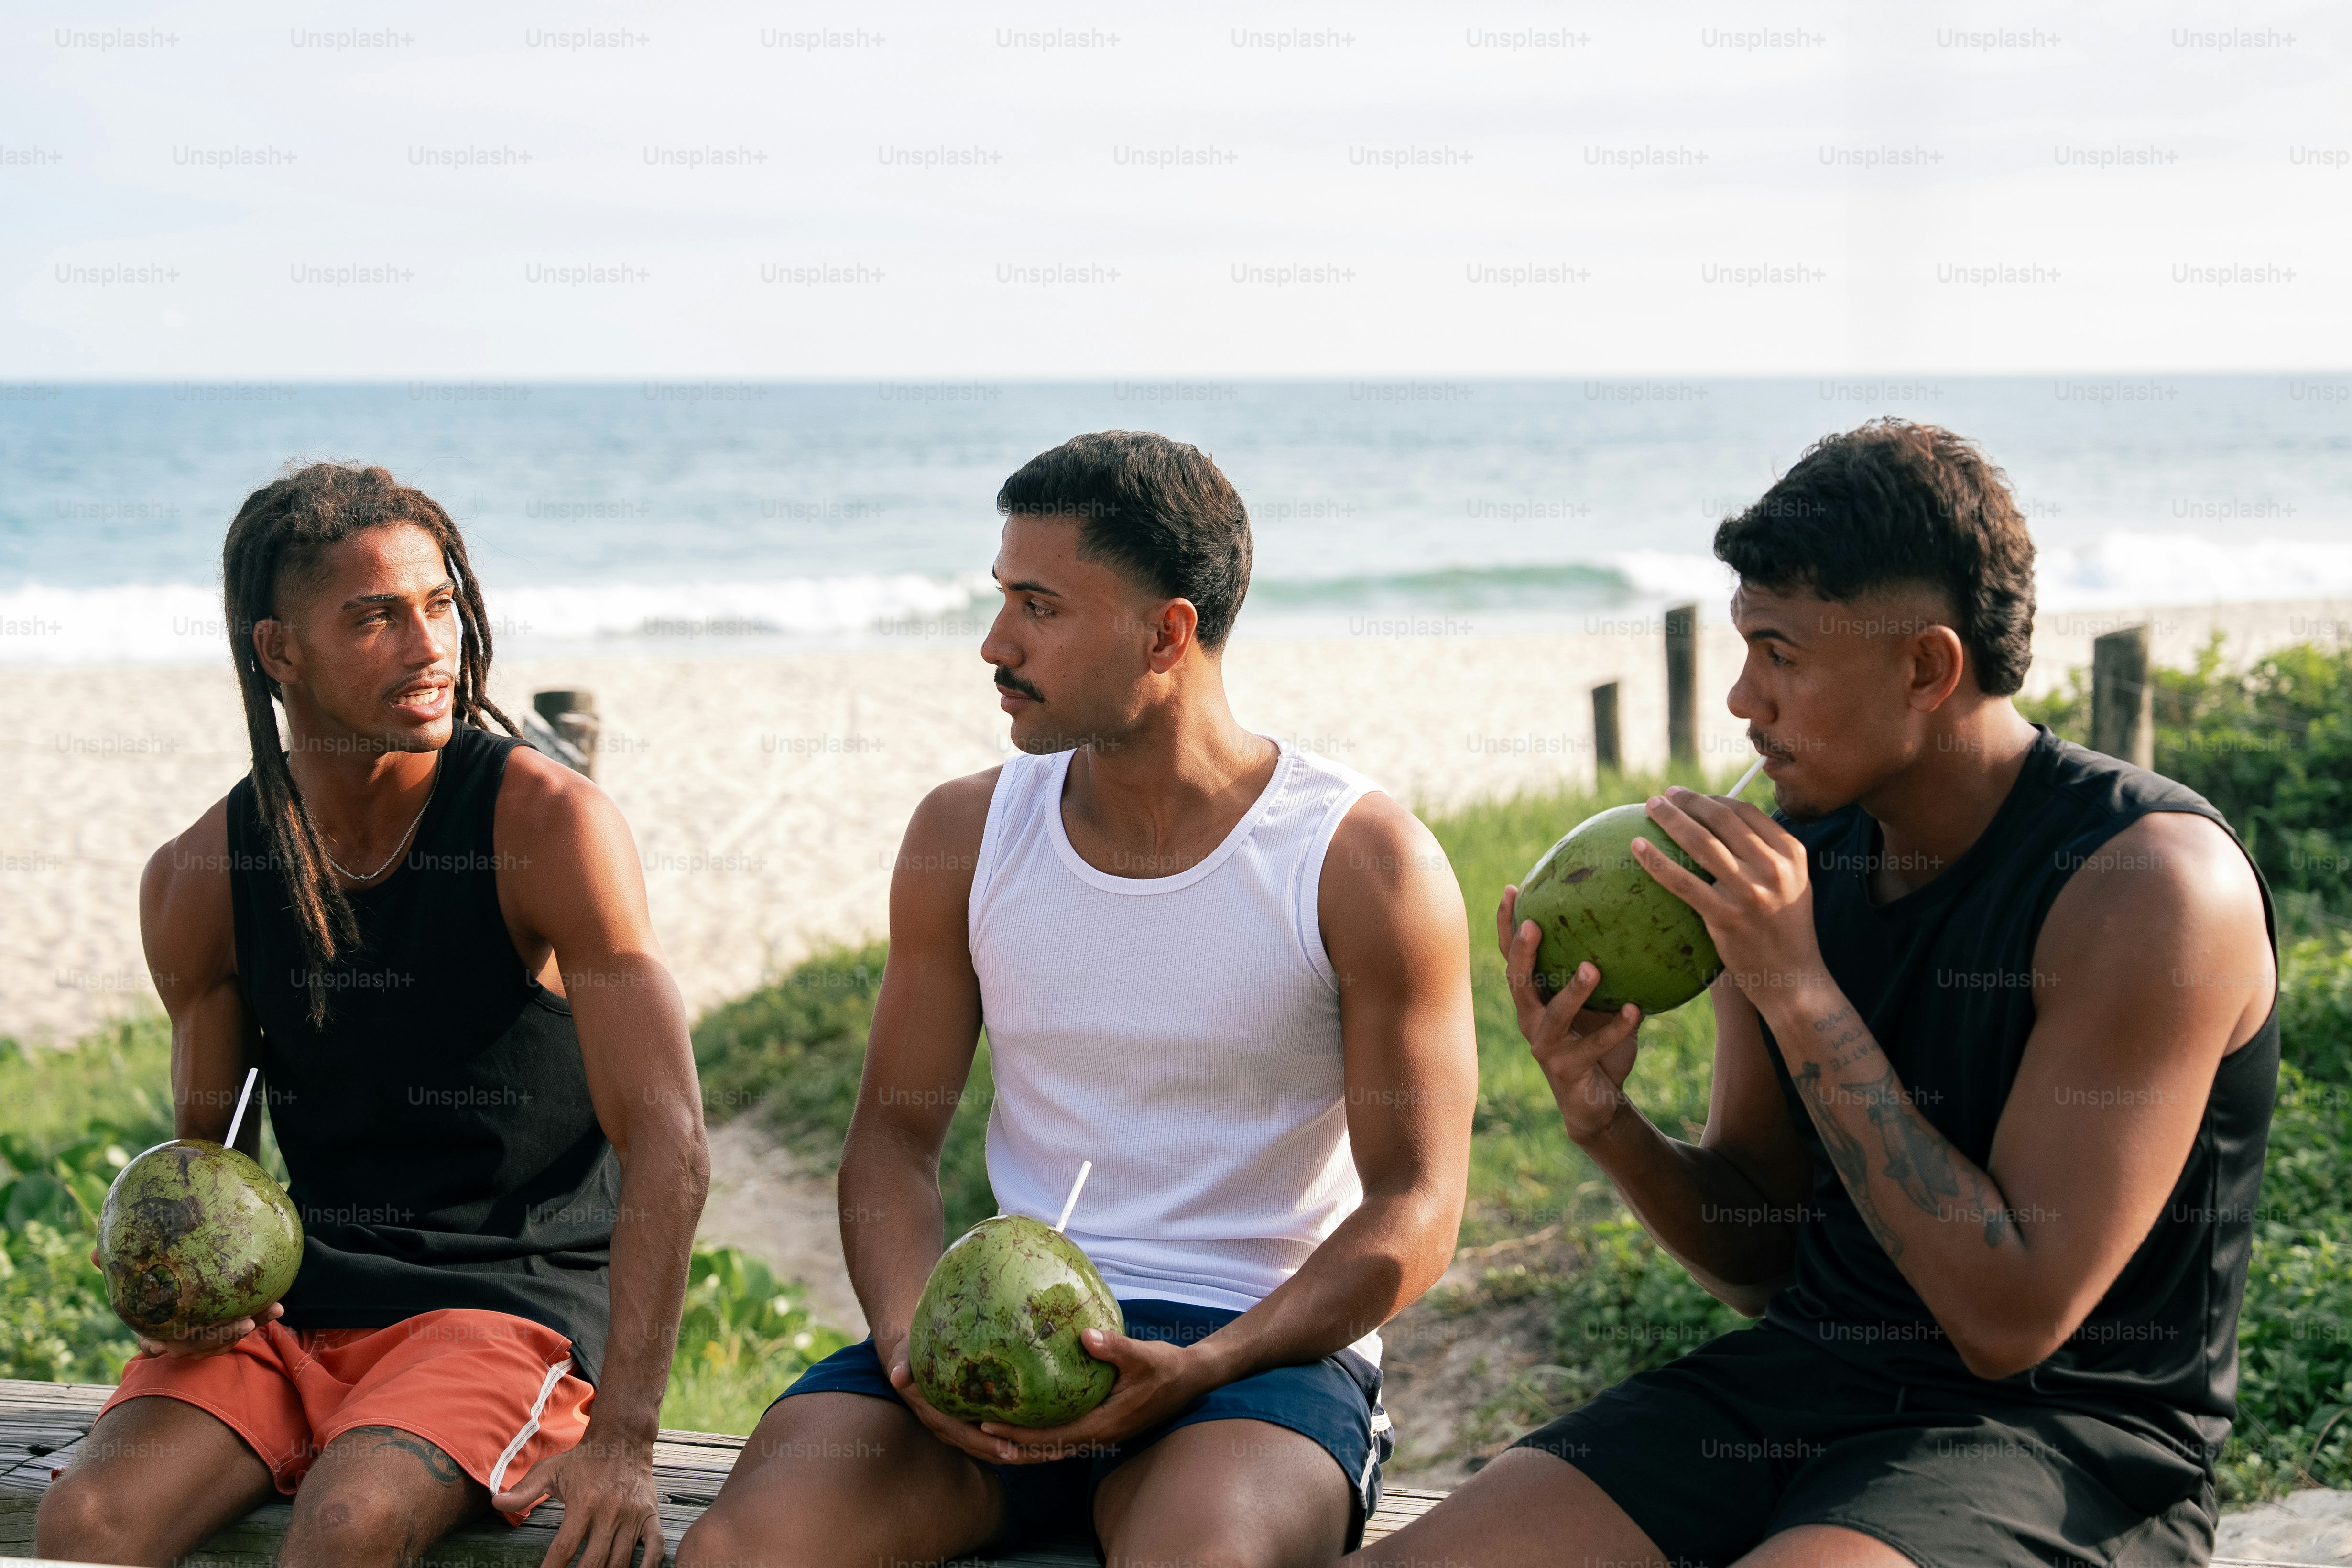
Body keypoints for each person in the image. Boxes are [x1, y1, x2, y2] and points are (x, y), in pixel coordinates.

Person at [1356, 419, 2278, 1568]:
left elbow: (2011, 1321)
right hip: (1804, 1382)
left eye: (1782, 653)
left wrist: (1798, 988)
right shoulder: (1798, 857)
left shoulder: (2149, 888)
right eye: (1744, 646)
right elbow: (1758, 1254)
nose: (1745, 697)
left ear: (1927, 668)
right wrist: (1609, 1122)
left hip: (2059, 1440)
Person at [681, 431, 1479, 1568]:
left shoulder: (1361, 860)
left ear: (1168, 631)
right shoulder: (964, 835)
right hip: (998, 1324)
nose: (995, 644)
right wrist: (914, 1349)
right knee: (736, 1554)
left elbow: (1419, 1204)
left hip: (1252, 1355)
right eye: (1002, 597)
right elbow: (893, 1145)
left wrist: (1212, 1363)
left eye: (1041, 607)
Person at [37, 463, 711, 1568]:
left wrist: (628, 1440)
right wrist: (182, 1304)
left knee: (348, 1522)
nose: (427, 644)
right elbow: (209, 1173)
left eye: (440, 604)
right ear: (279, 652)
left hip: (502, 1305)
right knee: (87, 1521)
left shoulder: (548, 825)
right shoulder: (203, 873)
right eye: (376, 617)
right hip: (302, 1306)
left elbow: (672, 1141)